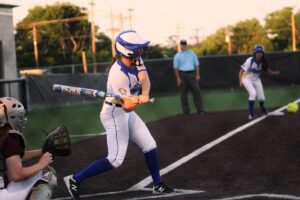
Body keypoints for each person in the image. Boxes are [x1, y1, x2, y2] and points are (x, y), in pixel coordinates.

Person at [64, 30, 174, 200]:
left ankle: (157, 184)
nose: (141, 51)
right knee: (115, 160)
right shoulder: (118, 75)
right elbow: (128, 107)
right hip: (114, 113)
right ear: (127, 51)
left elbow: (145, 79)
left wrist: (144, 93)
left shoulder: (136, 59)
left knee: (150, 144)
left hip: (124, 111)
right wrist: (137, 100)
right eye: (138, 48)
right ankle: (74, 179)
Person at [0, 97, 57, 200]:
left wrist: (42, 152)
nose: (22, 120)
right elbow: (16, 175)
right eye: (18, 117)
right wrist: (41, 163)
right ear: (7, 118)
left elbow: (14, 157)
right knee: (47, 174)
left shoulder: (3, 136)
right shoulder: (9, 139)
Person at [239, 44, 280, 120]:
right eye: (257, 52)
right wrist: (240, 81)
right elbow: (241, 71)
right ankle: (251, 113)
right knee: (253, 93)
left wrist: (273, 73)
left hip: (256, 79)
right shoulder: (249, 61)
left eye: (261, 52)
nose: (259, 54)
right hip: (247, 79)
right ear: (254, 53)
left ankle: (262, 108)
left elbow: (266, 69)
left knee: (262, 99)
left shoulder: (263, 61)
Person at [173, 39, 206, 115]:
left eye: (184, 44)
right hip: (182, 75)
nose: (183, 45)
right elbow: (176, 68)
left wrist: (197, 75)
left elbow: (196, 64)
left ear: (186, 45)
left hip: (192, 74)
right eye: (182, 44)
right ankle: (186, 111)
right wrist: (178, 78)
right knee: (183, 94)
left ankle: (200, 110)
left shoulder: (192, 53)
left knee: (197, 91)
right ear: (180, 45)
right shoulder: (177, 56)